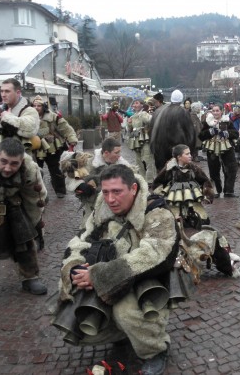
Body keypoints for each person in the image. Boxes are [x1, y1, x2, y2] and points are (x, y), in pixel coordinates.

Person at [56, 164, 178, 375]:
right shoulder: (102, 207)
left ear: (132, 188)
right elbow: (83, 237)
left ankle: (155, 349)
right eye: (105, 192)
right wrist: (74, 267)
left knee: (127, 311)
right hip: (113, 269)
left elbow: (152, 257)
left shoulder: (157, 212)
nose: (110, 199)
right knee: (77, 310)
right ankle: (123, 334)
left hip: (149, 277)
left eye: (117, 192)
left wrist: (99, 275)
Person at [0, 138, 47, 294]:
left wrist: (34, 225)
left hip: (14, 203)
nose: (8, 168)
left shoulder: (30, 170)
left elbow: (34, 199)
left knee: (24, 240)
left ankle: (30, 277)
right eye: (4, 161)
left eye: (14, 163)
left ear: (21, 161)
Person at [60, 137, 131, 227]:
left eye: (120, 152)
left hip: (114, 210)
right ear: (106, 153)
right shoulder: (90, 163)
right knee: (87, 234)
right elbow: (72, 178)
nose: (119, 155)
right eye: (116, 153)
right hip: (92, 209)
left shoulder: (122, 164)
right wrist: (80, 185)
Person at [152, 144, 214, 228]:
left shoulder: (193, 167)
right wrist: (160, 195)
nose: (190, 156)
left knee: (203, 221)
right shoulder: (169, 168)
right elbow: (158, 181)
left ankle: (190, 216)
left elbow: (205, 180)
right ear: (179, 157)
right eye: (187, 154)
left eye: (190, 153)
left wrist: (207, 195)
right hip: (175, 198)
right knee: (173, 222)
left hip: (191, 197)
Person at [31, 95, 78, 198]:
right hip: (35, 148)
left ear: (44, 106)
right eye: (34, 106)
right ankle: (35, 193)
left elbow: (66, 128)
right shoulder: (28, 118)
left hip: (53, 148)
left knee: (55, 169)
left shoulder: (54, 117)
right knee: (34, 171)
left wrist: (72, 139)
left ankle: (60, 190)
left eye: (39, 105)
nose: (36, 108)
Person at [150, 90, 196, 171]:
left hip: (159, 150)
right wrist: (190, 153)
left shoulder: (158, 111)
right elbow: (190, 134)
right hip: (177, 151)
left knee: (163, 174)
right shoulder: (183, 112)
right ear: (181, 100)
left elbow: (151, 130)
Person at [199, 104, 239, 198]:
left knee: (230, 169)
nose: (216, 112)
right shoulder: (208, 122)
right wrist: (210, 132)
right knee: (213, 170)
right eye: (214, 111)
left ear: (221, 111)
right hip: (212, 149)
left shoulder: (227, 121)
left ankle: (229, 191)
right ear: (211, 112)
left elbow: (235, 133)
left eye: (217, 110)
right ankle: (216, 190)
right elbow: (201, 135)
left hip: (227, 148)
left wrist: (227, 133)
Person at [0, 78, 39, 153]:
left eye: (7, 91)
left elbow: (30, 129)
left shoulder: (29, 110)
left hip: (21, 159)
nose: (3, 95)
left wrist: (7, 117)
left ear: (18, 92)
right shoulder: (3, 110)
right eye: (1, 91)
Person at [127, 96, 157, 184]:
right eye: (134, 103)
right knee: (138, 161)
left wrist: (143, 115)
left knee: (148, 159)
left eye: (136, 103)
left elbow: (150, 121)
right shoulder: (132, 116)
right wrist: (129, 124)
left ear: (142, 105)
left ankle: (150, 180)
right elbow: (130, 130)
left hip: (145, 139)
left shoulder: (145, 114)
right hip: (136, 140)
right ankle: (142, 180)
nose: (134, 105)